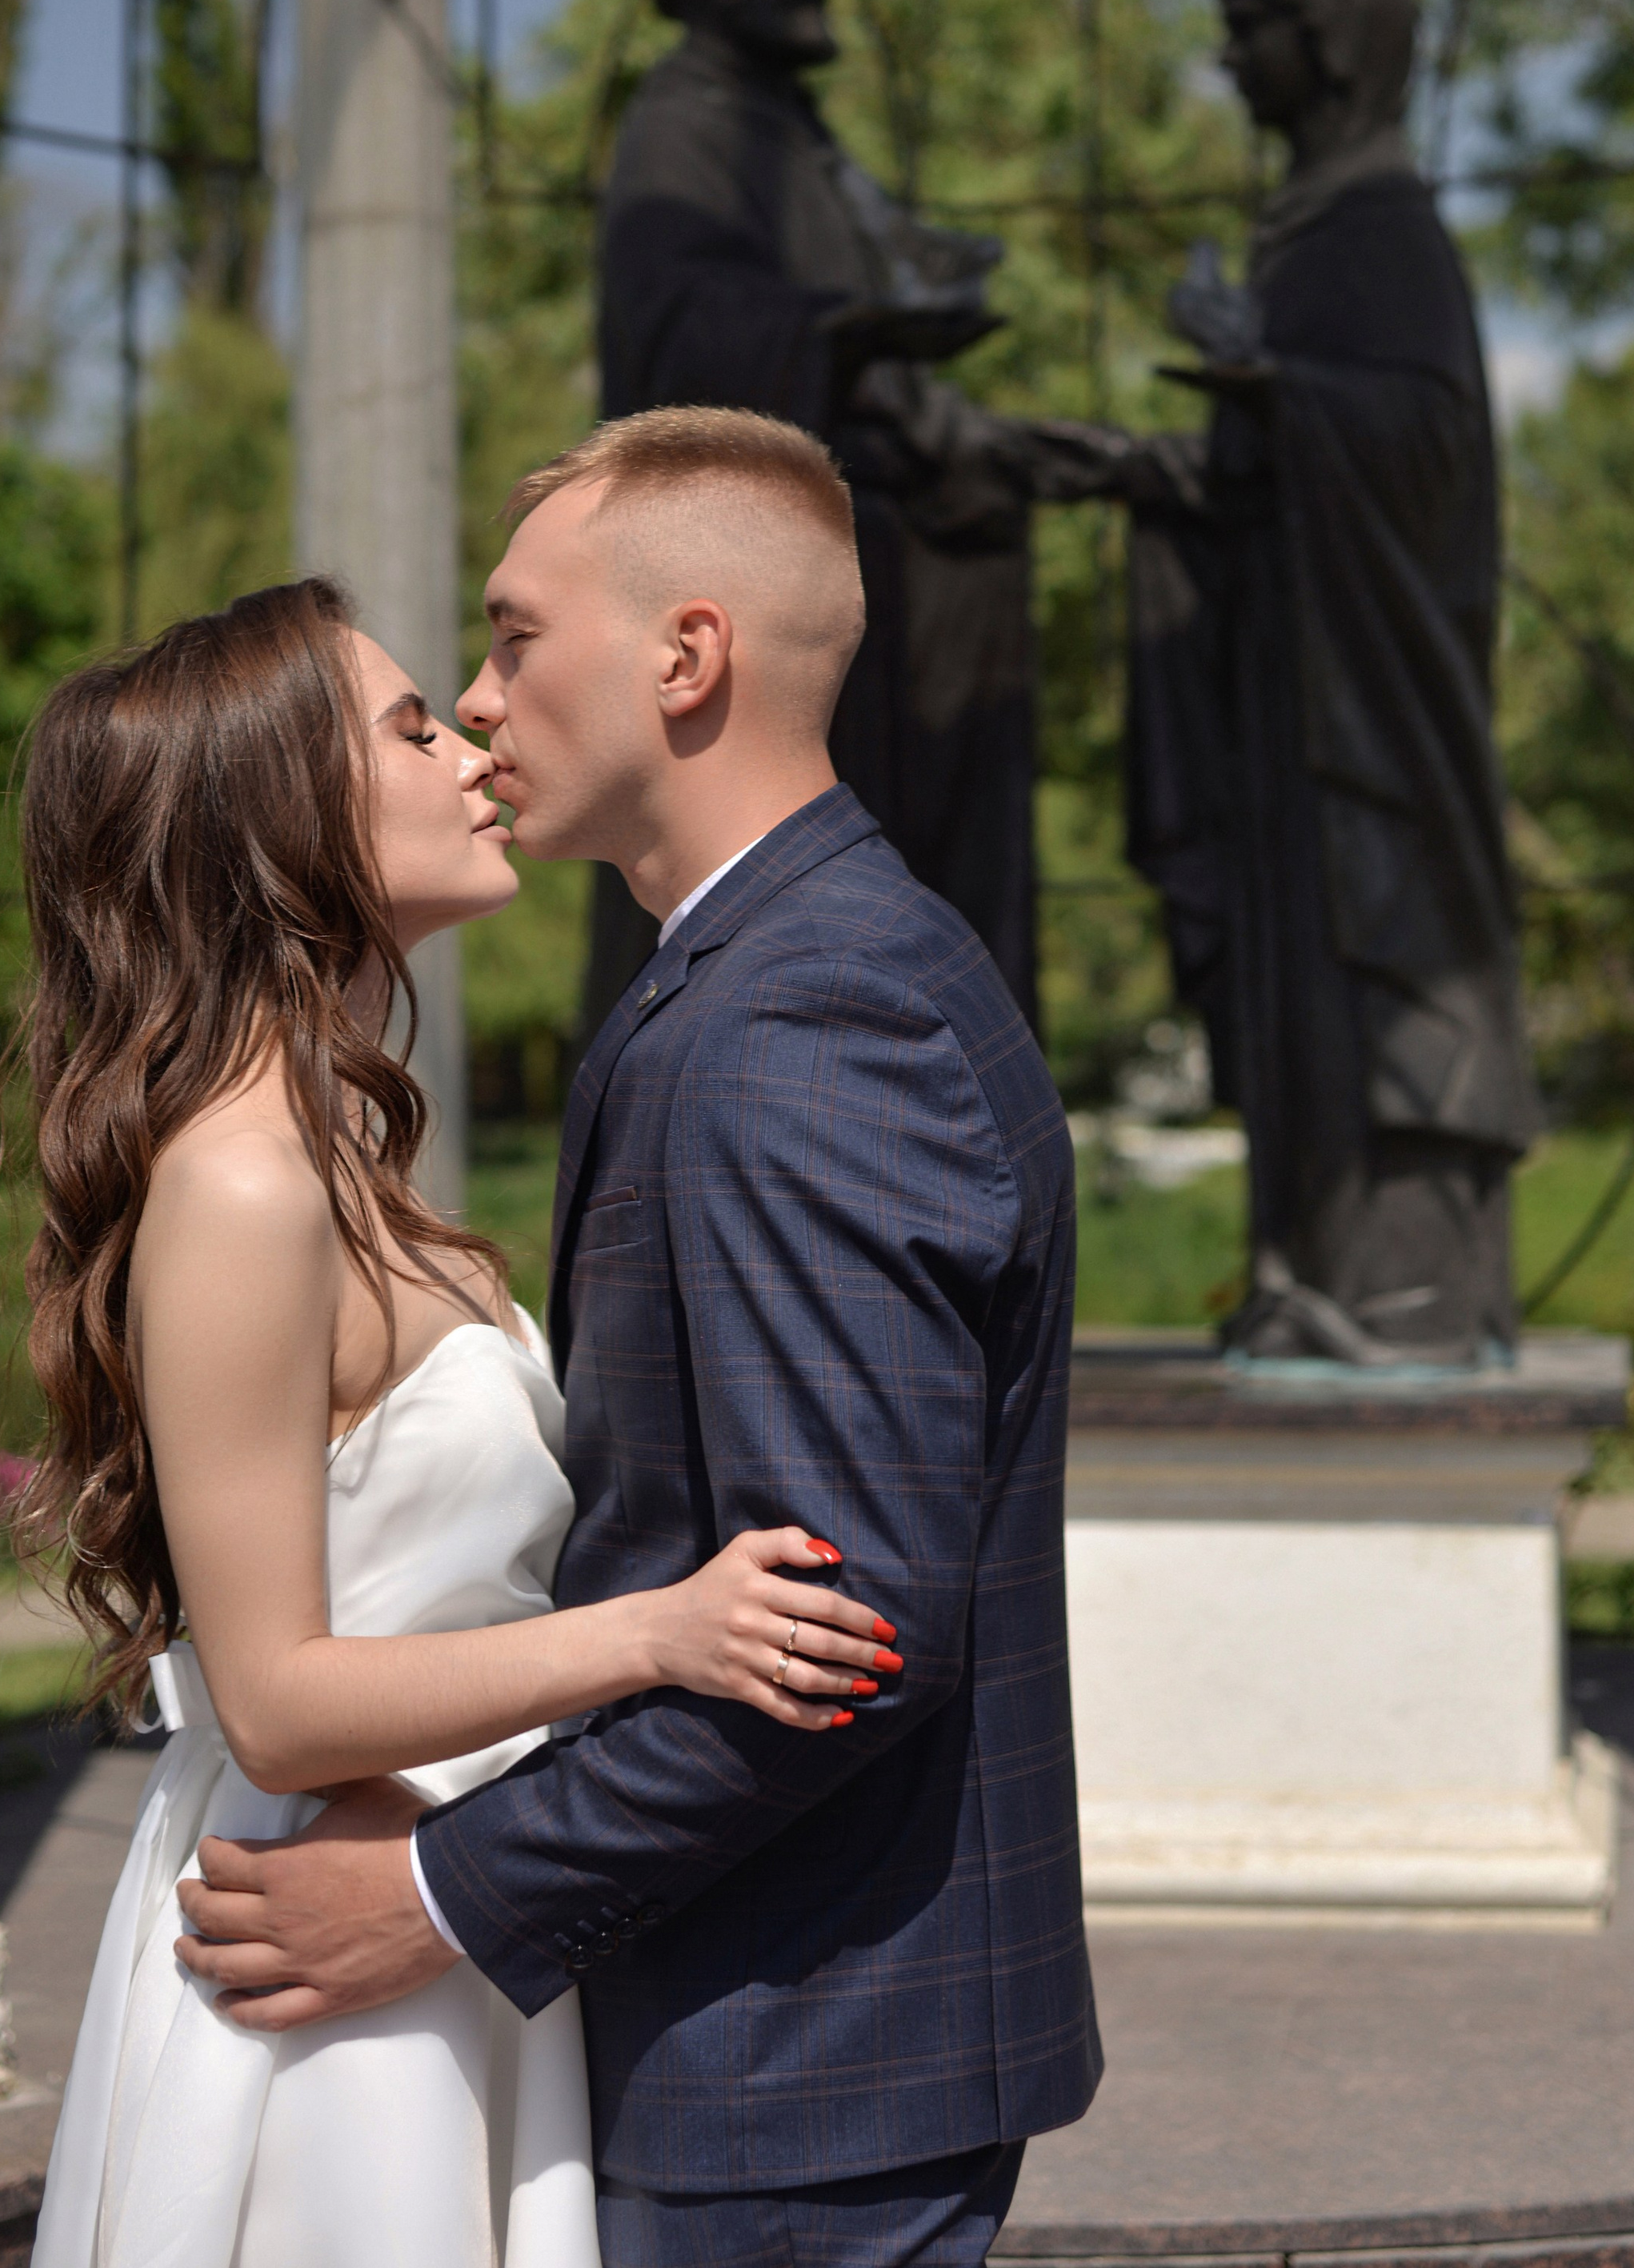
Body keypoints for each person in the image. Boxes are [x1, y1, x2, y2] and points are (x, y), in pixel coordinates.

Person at [171, 410, 1103, 2268]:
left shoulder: (801, 1017)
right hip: (737, 2030)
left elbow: (845, 1630)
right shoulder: (760, 977)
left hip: (783, 2057)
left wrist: (437, 1893)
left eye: (513, 637)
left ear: (686, 656)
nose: (477, 694)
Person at [20, 577, 895, 2268]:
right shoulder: (243, 1181)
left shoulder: (341, 1151)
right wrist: (662, 1634)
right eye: (411, 724)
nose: (472, 739)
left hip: (436, 1911)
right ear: (281, 817)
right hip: (318, 1962)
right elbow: (274, 1700)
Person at [587, 0, 1139, 1032]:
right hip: (768, 634)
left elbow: (878, 401)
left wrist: (998, 444)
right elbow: (676, 350)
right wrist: (850, 334)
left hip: (886, 606)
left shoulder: (801, 141)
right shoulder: (688, 126)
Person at [1124, 0, 1538, 1365]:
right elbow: (1258, 474)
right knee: (1310, 983)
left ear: (1341, 40)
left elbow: (1426, 445)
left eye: (1256, 25)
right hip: (1294, 694)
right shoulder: (1308, 223)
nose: (1231, 56)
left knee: (1388, 961)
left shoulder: (1379, 230)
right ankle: (1323, 1270)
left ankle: (1408, 1290)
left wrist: (1260, 371)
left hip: (1376, 702)